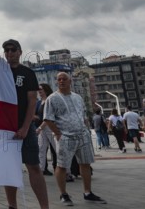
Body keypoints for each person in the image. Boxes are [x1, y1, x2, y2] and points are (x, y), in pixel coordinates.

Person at [43, 72, 106, 205]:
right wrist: (58, 134)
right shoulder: (52, 98)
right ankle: (63, 194)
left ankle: (88, 192)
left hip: (82, 135)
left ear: (70, 81)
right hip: (65, 136)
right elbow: (48, 118)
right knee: (62, 165)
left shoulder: (78, 97)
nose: (61, 81)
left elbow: (82, 114)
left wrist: (86, 129)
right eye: (59, 79)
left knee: (85, 163)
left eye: (64, 79)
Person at [1, 39, 49, 209]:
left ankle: (45, 206)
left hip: (24, 126)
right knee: (10, 168)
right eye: (6, 50)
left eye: (13, 50)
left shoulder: (27, 73)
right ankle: (12, 205)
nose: (9, 53)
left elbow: (32, 100)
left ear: (20, 52)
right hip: (5, 128)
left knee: (33, 166)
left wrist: (25, 127)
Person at [35, 83, 56, 176]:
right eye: (38, 89)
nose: (39, 91)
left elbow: (48, 117)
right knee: (41, 148)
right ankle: (41, 169)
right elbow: (38, 115)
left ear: (46, 90)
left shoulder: (50, 100)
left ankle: (66, 170)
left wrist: (40, 128)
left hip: (50, 127)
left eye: (41, 89)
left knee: (57, 148)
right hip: (42, 128)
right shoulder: (39, 102)